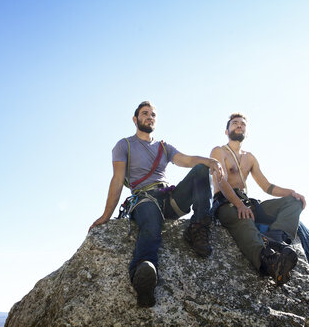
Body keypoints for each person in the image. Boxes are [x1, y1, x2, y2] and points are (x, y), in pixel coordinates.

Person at [89, 101, 223, 307]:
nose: (149, 117)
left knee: (199, 170)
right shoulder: (123, 145)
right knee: (151, 225)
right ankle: (142, 273)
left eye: (153, 114)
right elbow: (117, 179)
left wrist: (210, 161)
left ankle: (198, 228)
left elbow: (187, 160)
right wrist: (106, 214)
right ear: (135, 119)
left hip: (168, 199)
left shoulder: (163, 147)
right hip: (144, 199)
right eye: (145, 113)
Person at [210, 113, 306, 286]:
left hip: (248, 202)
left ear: (246, 132)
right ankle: (268, 262)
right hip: (226, 202)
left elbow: (267, 186)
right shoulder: (219, 151)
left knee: (294, 203)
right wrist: (239, 204)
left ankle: (276, 238)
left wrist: (292, 193)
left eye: (242, 124)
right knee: (244, 218)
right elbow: (221, 180)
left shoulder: (249, 157)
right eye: (234, 123)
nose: (239, 126)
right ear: (226, 130)